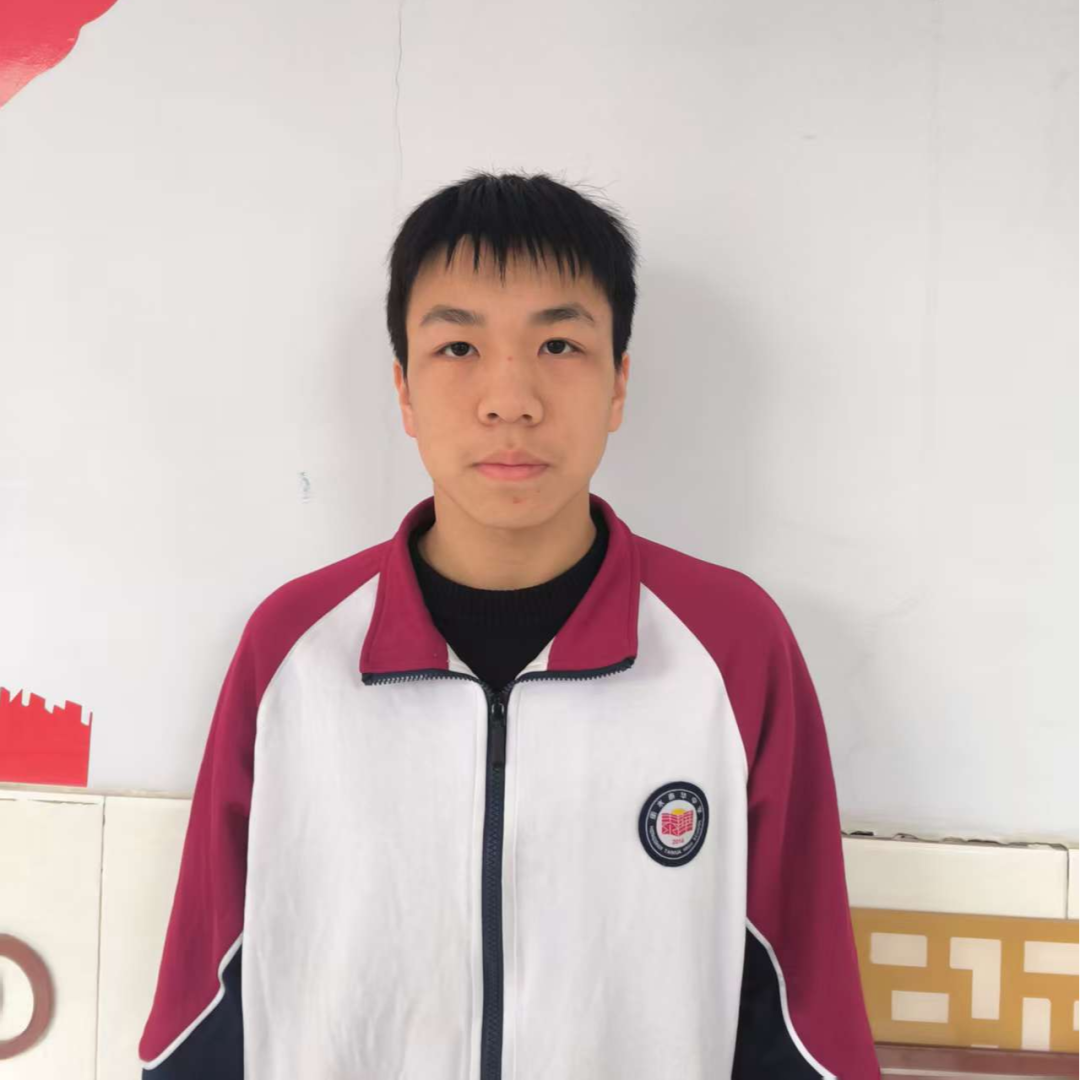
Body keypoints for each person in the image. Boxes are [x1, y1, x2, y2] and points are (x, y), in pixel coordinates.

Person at [137, 170, 881, 1078]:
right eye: (458, 348)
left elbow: (802, 1015)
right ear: (404, 391)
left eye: (559, 344)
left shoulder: (733, 648)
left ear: (619, 384)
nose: (510, 399)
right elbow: (204, 1008)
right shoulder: (293, 652)